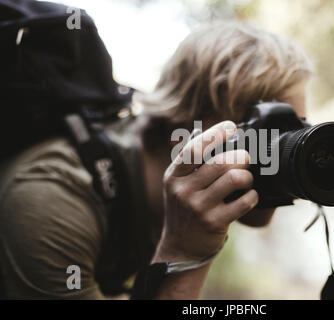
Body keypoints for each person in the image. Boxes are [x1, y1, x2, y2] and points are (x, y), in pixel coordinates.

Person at [0, 22, 313, 299]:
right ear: (187, 122)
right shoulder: (53, 199)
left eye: (294, 129)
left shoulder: (157, 204)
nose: (281, 152)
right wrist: (185, 253)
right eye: (267, 131)